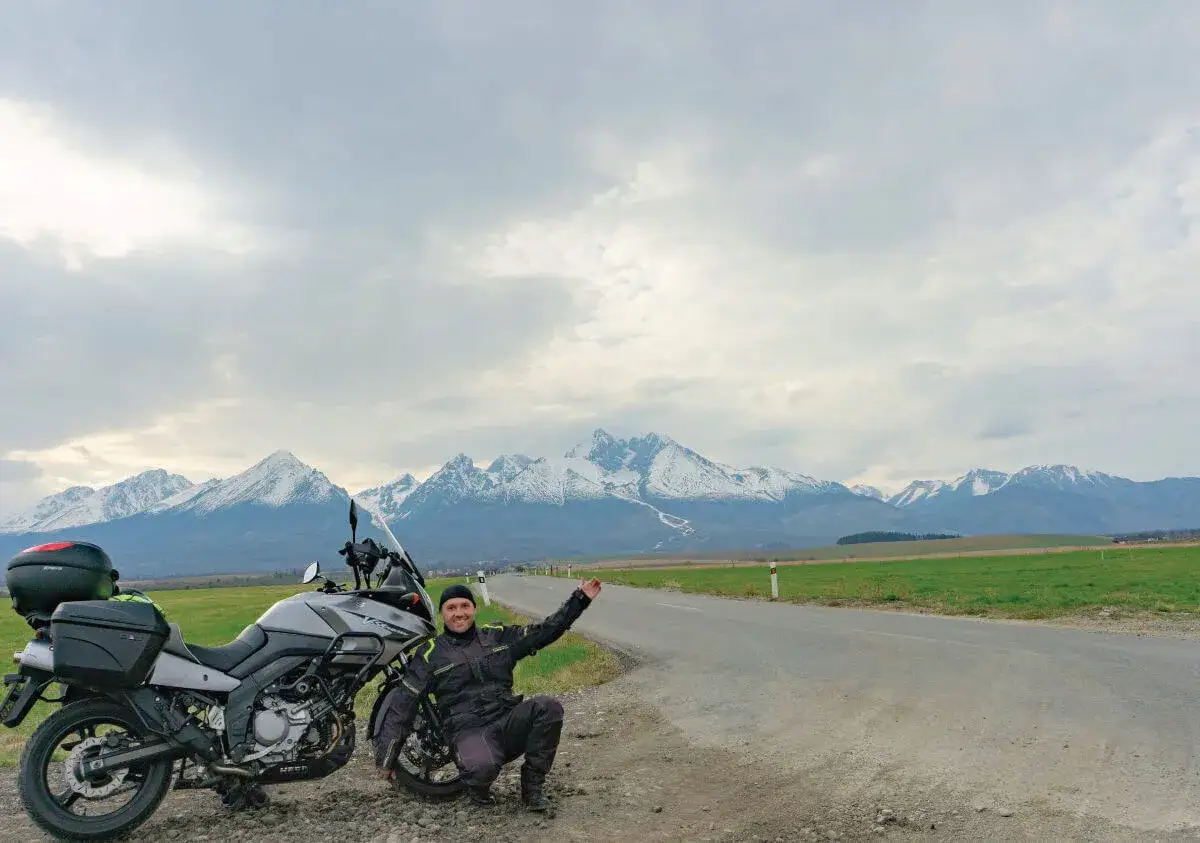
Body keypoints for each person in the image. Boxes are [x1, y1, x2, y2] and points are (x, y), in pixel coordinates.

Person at [373, 577, 603, 811]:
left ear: (474, 609)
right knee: (481, 770)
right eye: (451, 608)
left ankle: (532, 788)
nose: (459, 613)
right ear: (442, 614)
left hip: (507, 721)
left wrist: (580, 600)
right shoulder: (430, 653)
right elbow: (403, 705)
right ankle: (478, 786)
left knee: (548, 707)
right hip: (468, 732)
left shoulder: (497, 635)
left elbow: (544, 632)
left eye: (464, 606)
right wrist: (386, 758)